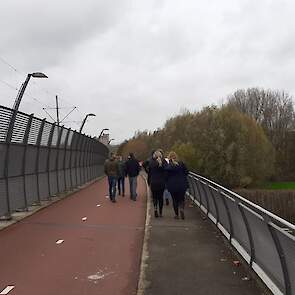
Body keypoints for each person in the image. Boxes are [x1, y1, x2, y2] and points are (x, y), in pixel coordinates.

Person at [165, 151, 189, 219]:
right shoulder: (181, 163)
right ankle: (181, 208)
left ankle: (176, 214)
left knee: (174, 199)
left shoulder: (169, 166)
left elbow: (166, 176)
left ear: (169, 157)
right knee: (182, 198)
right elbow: (187, 172)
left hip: (172, 185)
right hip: (182, 184)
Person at [149, 150, 167, 217]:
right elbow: (166, 171)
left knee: (155, 197)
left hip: (153, 182)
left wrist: (149, 181)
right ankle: (160, 212)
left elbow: (149, 173)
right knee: (160, 197)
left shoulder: (152, 162)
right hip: (161, 182)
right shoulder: (164, 162)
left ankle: (155, 209)